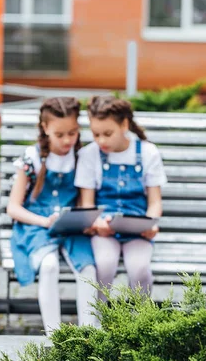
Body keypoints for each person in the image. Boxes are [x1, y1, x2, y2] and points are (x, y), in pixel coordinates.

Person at [7, 97, 98, 335]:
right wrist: (43, 221)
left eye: (73, 133)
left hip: (70, 226)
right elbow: (13, 208)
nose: (68, 140)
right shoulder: (32, 157)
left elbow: (86, 204)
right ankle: (54, 335)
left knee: (88, 268)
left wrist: (85, 221)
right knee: (48, 266)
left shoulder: (82, 158)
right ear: (45, 128)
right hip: (36, 225)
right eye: (60, 135)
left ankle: (90, 335)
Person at [75, 95, 167, 301]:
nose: (101, 141)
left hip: (137, 230)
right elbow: (87, 204)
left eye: (108, 133)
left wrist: (150, 224)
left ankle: (139, 321)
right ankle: (98, 320)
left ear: (124, 124)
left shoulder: (147, 152)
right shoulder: (89, 155)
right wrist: (97, 223)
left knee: (139, 269)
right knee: (104, 265)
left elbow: (154, 201)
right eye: (96, 134)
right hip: (104, 230)